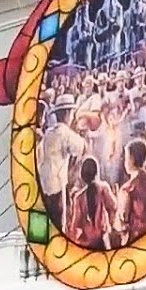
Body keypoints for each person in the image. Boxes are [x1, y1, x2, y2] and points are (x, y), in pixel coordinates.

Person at [38, 95, 85, 234]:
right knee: (59, 226)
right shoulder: (64, 133)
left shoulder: (48, 133)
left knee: (42, 228)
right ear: (67, 114)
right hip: (57, 188)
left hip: (43, 184)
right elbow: (81, 147)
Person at [115, 139, 146, 245]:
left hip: (133, 239)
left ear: (131, 159)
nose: (124, 162)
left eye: (126, 158)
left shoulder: (127, 189)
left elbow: (122, 222)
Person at [68, 157, 117, 250]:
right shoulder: (104, 188)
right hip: (103, 239)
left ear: (82, 175)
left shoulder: (78, 198)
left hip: (87, 242)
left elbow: (75, 225)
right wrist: (110, 223)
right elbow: (114, 205)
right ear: (96, 172)